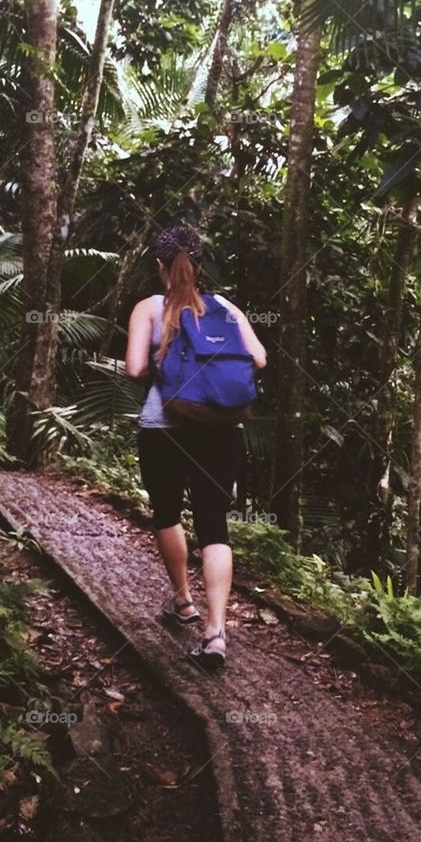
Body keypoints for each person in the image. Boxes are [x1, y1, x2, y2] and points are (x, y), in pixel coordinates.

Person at [125, 224, 267, 670]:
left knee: (167, 512)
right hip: (220, 429)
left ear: (159, 266)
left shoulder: (149, 308)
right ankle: (216, 632)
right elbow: (259, 358)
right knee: (215, 526)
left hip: (163, 427)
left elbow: (134, 369)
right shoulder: (226, 307)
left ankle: (183, 601)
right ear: (201, 264)